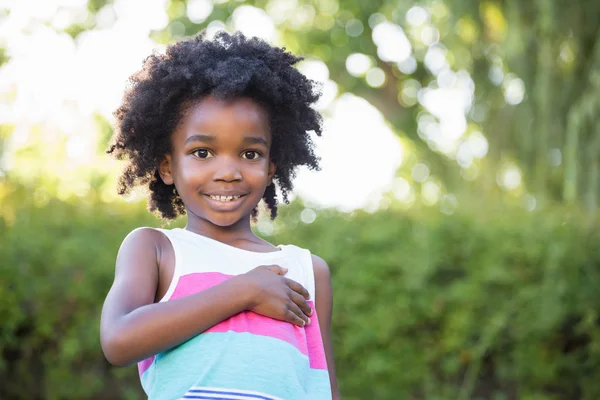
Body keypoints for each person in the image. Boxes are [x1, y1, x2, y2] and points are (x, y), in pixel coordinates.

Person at [100, 31, 340, 400]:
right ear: (167, 166)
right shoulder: (156, 250)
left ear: (271, 166)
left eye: (249, 154)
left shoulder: (307, 271)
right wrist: (243, 291)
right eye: (202, 153)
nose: (228, 171)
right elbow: (118, 341)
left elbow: (321, 387)